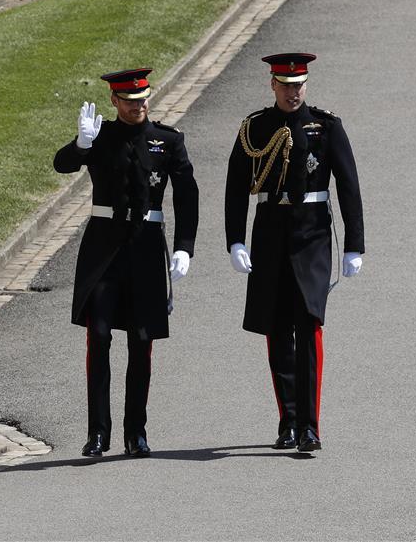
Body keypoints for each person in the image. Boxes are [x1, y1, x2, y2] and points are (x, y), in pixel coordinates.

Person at [53, 68, 199, 458]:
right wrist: (82, 145)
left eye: (143, 99)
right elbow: (62, 164)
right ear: (115, 102)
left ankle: (136, 432)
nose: (138, 106)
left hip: (147, 246)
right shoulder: (101, 138)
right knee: (98, 336)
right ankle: (98, 432)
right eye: (130, 101)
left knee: (142, 340)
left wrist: (184, 246)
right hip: (104, 248)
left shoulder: (167, 140)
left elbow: (186, 194)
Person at [224, 53, 364, 453]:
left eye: (299, 84)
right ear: (272, 85)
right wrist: (235, 239)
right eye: (286, 85)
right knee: (277, 328)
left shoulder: (326, 126)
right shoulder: (256, 128)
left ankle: (310, 425)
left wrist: (355, 245)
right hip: (270, 231)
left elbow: (349, 187)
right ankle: (287, 419)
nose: (293, 91)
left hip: (312, 234)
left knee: (309, 325)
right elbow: (236, 187)